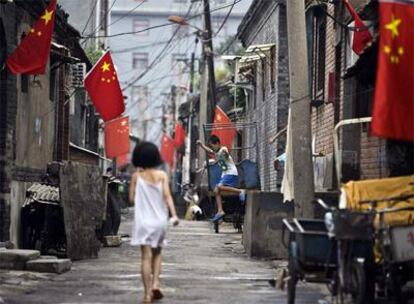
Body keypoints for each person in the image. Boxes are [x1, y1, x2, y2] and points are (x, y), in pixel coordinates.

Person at [129, 141, 179, 304]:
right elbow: (167, 196)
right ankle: (156, 283)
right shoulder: (162, 176)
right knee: (157, 253)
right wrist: (174, 215)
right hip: (159, 222)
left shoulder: (136, 177)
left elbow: (131, 199)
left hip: (143, 222)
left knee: (145, 257)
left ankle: (146, 294)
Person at [197, 135, 246, 222]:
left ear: (217, 143)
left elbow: (225, 153)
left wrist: (226, 154)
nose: (212, 148)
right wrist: (201, 145)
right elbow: (209, 151)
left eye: (213, 145)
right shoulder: (216, 152)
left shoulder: (223, 149)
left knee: (218, 187)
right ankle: (220, 211)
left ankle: (240, 191)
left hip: (231, 173)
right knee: (216, 190)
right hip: (225, 174)